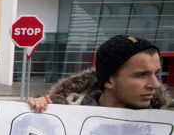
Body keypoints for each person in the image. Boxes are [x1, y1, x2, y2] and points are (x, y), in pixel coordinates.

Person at [28, 35, 170, 112]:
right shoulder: (67, 112)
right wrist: (38, 112)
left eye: (156, 74)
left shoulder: (166, 123)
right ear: (109, 81)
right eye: (141, 75)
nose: (155, 84)